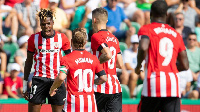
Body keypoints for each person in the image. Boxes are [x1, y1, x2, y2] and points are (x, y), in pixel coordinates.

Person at [135, 1, 189, 112]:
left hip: (154, 81)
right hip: (172, 84)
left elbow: (144, 47)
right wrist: (170, 70)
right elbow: (186, 65)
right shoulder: (176, 34)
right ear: (167, 14)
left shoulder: (146, 29)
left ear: (150, 14)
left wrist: (138, 65)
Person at [22, 9, 71, 112]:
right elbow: (28, 61)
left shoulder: (62, 38)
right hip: (39, 79)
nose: (46, 27)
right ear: (40, 24)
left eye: (48, 24)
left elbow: (70, 59)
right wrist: (25, 83)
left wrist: (70, 81)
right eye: (43, 24)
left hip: (57, 80)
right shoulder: (33, 39)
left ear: (53, 22)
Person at [49, 28, 107, 112]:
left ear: (71, 41)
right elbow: (104, 78)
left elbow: (61, 77)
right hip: (90, 105)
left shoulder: (67, 58)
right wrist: (91, 82)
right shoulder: (93, 58)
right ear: (85, 42)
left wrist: (52, 88)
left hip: (73, 104)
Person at [91, 7, 125, 112]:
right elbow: (120, 64)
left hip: (100, 86)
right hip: (115, 87)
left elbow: (108, 55)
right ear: (106, 21)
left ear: (94, 20)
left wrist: (95, 64)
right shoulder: (114, 39)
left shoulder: (96, 36)